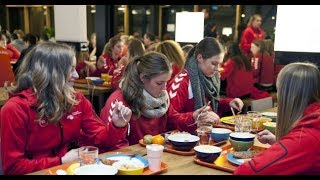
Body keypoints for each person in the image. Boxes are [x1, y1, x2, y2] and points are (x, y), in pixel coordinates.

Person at [0, 42, 122, 175]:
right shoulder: (15, 110)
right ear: (51, 73)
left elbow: (101, 139)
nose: (76, 75)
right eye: (71, 69)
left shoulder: (77, 100)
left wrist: (116, 125)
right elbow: (13, 168)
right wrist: (61, 161)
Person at [99, 52, 220, 147]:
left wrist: (194, 117)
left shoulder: (162, 97)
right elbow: (111, 143)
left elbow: (174, 120)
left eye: (166, 82)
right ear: (143, 78)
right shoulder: (118, 101)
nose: (164, 88)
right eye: (159, 83)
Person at [234, 62, 320, 175]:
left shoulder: (304, 138)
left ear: (286, 96)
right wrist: (280, 143)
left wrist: (286, 146)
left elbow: (245, 172)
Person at [167, 37, 244, 119]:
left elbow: (211, 103)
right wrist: (194, 117)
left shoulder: (209, 77)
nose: (217, 68)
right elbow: (169, 118)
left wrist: (228, 103)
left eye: (220, 64)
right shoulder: (181, 82)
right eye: (214, 63)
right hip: (184, 131)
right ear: (200, 58)